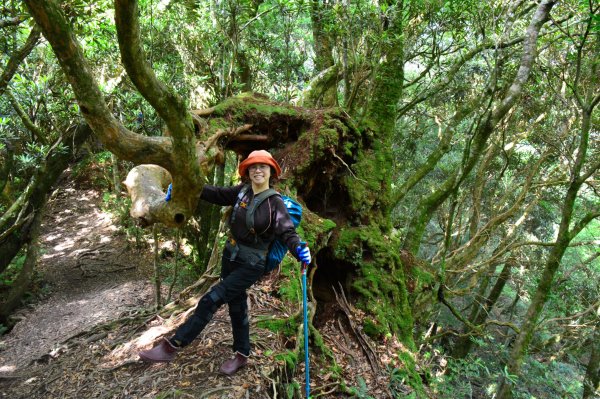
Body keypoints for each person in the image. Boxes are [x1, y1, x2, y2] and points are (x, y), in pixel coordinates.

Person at [139, 150, 311, 376]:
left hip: (251, 265)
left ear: (271, 172)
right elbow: (216, 193)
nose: (257, 170)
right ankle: (242, 354)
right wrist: (182, 190)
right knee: (236, 304)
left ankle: (172, 346)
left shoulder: (275, 203)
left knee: (211, 300)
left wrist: (299, 249)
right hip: (230, 257)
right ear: (247, 171)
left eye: (263, 167)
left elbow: (287, 231)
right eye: (253, 167)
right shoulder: (243, 192)